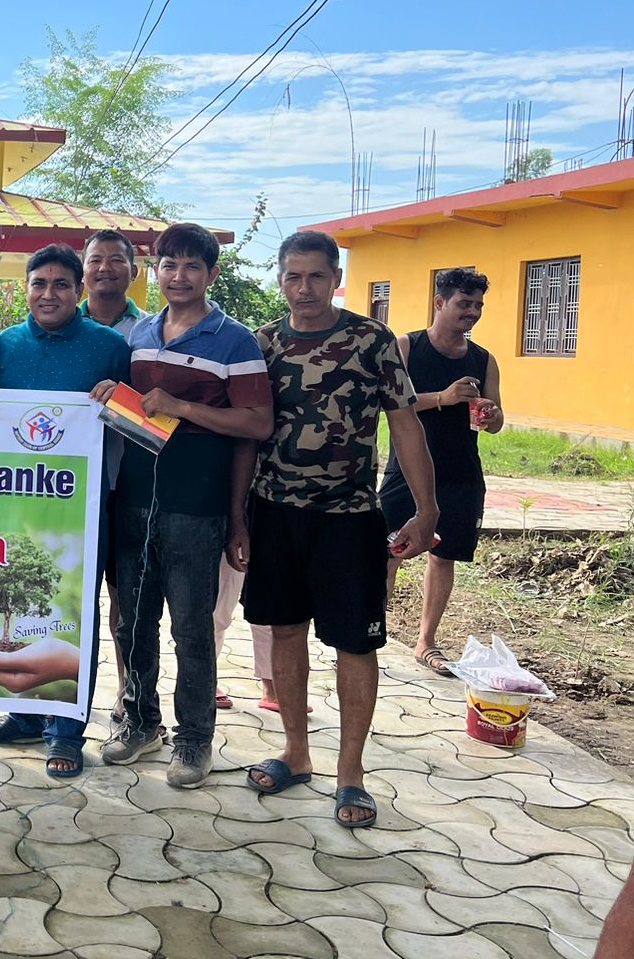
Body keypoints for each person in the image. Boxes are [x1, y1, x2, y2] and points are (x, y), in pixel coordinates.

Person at [242, 230, 437, 829]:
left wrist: (427, 509)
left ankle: (351, 773)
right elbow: (249, 432)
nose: (304, 288)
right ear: (281, 280)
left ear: (335, 279)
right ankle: (295, 752)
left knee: (356, 643)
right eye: (293, 277)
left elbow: (405, 424)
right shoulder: (263, 344)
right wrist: (237, 516)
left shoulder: (372, 340)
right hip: (276, 512)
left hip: (350, 518)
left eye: (316, 276)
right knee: (285, 630)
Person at [95, 222, 274, 792]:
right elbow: (136, 410)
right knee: (132, 622)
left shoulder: (235, 340)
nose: (179, 276)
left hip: (197, 504)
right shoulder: (140, 335)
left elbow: (258, 423)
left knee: (192, 628)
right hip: (134, 497)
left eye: (192, 266)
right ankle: (141, 722)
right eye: (169, 265)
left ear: (211, 274)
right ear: (156, 270)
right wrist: (112, 395)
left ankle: (194, 738)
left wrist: (184, 407)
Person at [0, 244, 130, 777]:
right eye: (38, 283)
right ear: (25, 289)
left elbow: (134, 422)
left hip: (82, 505)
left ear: (78, 290)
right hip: (14, 502)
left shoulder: (110, 346)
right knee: (14, 602)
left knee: (74, 609)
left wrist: (120, 397)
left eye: (61, 284)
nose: (49, 294)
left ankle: (66, 730)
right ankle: (23, 715)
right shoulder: (7, 344)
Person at [381, 268, 503, 677]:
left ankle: (426, 642)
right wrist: (443, 398)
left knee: (444, 556)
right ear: (439, 302)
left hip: (460, 471)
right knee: (387, 551)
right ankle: (370, 631)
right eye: (465, 303)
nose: (473, 312)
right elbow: (389, 403)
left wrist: (491, 414)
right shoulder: (408, 346)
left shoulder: (483, 359)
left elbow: (497, 420)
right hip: (407, 470)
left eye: (478, 305)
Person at [79, 230, 146, 722]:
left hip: (128, 482)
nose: (105, 268)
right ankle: (55, 698)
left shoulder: (151, 334)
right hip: (64, 489)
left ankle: (128, 692)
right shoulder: (58, 323)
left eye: (116, 260)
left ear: (134, 271)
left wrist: (122, 399)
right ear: (82, 271)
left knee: (127, 597)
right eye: (95, 260)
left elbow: (158, 415)